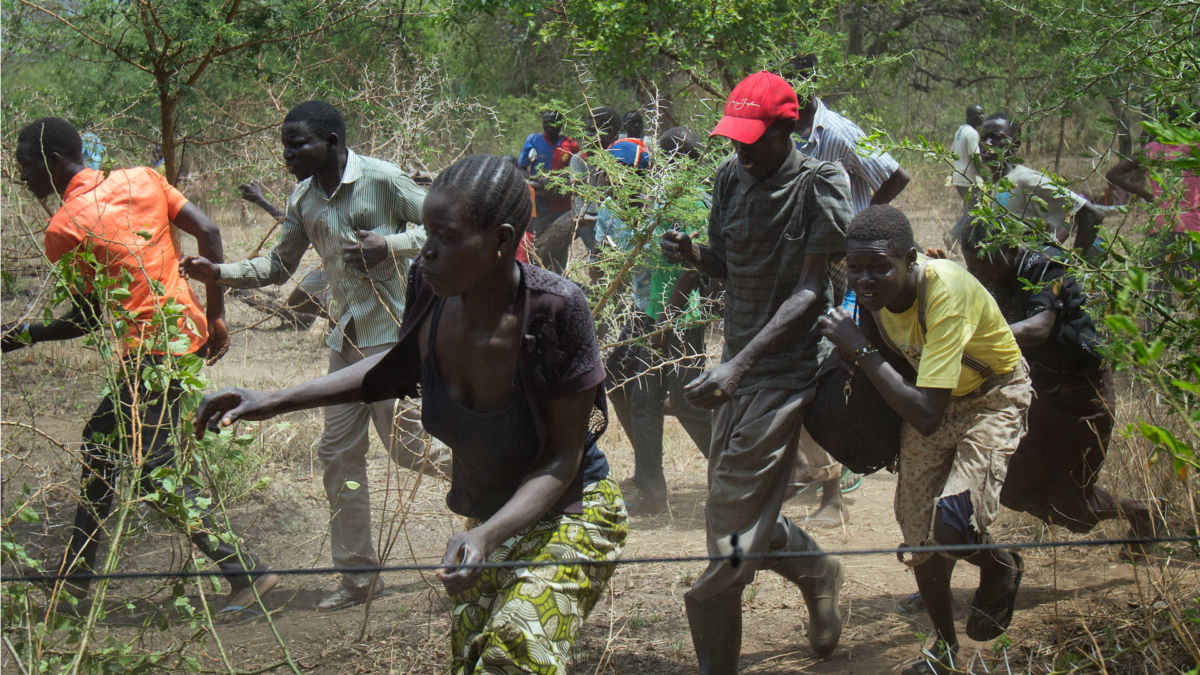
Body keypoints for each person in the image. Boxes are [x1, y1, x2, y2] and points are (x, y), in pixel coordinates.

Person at [192, 154, 626, 674]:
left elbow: (562, 459)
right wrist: (273, 399)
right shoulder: (431, 291)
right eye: (426, 236)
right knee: (470, 659)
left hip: (570, 515)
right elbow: (395, 366)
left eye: (445, 238)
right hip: (488, 517)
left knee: (514, 651)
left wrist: (484, 537)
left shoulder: (555, 311)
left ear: (502, 240)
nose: (427, 254)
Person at [0, 117, 276, 621]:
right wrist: (215, 315)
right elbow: (210, 233)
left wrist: (20, 336)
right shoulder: (142, 179)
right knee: (100, 443)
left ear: (55, 161)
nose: (23, 178)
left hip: (153, 355)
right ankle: (75, 577)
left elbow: (85, 317)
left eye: (25, 166)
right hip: (183, 337)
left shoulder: (64, 227)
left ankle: (247, 573)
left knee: (151, 474)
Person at [180, 100, 451, 611]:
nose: (287, 155)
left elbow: (442, 227)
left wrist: (389, 244)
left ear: (332, 141)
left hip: (392, 336)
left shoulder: (383, 178)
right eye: (285, 145)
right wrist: (218, 272)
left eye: (297, 144)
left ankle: (503, 489)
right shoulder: (304, 198)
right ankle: (358, 579)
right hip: (345, 338)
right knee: (337, 453)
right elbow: (278, 266)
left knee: (410, 449)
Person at [662, 71, 849, 670]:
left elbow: (811, 293)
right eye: (733, 138)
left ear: (786, 127)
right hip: (737, 367)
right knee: (743, 514)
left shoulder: (819, 183)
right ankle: (818, 572)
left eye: (751, 138)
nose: (740, 149)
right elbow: (728, 265)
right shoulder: (729, 178)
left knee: (728, 519)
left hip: (787, 371)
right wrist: (693, 254)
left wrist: (740, 366)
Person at [819, 205, 1032, 675]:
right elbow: (895, 375)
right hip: (935, 394)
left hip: (991, 396)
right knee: (919, 536)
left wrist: (862, 350)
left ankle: (999, 566)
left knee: (953, 523)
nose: (866, 279)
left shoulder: (944, 292)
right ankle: (944, 648)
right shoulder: (870, 301)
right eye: (856, 268)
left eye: (880, 267)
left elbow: (928, 416)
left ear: (909, 260)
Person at [960, 219, 1166, 557]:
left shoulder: (1047, 265)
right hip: (1039, 397)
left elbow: (1039, 328)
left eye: (987, 265)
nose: (982, 274)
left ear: (1012, 249)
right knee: (1012, 484)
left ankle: (1144, 511)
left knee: (1071, 502)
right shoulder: (992, 277)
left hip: (1082, 398)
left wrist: (973, 338)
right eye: (973, 267)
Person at [780, 53, 912, 521]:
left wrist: (863, 221)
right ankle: (818, 475)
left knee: (834, 370)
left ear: (812, 85)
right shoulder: (791, 134)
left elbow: (895, 173)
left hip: (851, 270)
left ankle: (835, 490)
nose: (792, 90)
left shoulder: (834, 132)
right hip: (815, 266)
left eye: (799, 82)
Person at [601, 126, 713, 514]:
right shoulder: (662, 200)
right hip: (655, 315)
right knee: (645, 401)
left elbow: (692, 268)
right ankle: (652, 491)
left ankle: (734, 475)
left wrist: (666, 318)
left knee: (687, 403)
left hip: (679, 319)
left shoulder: (693, 202)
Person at [978, 112, 1103, 254]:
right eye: (983, 137)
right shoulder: (996, 185)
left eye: (996, 138)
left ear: (1015, 145)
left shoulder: (1025, 179)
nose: (987, 143)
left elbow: (1090, 215)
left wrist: (1073, 266)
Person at [1105, 113, 1200, 299]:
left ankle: (1151, 327)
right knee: (1194, 290)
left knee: (1158, 290)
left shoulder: (1152, 150)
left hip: (1160, 227)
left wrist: (1149, 196)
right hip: (1192, 228)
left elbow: (1113, 173)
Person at [234, 182, 331, 329]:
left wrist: (261, 200)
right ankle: (341, 318)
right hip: (327, 260)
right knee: (297, 302)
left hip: (341, 260)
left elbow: (293, 226)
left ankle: (345, 320)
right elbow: (294, 226)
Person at [517, 110, 579, 238]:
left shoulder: (571, 145)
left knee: (559, 246)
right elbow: (521, 169)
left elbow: (578, 173)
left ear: (561, 124)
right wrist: (540, 179)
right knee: (538, 243)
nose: (551, 126)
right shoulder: (533, 140)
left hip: (563, 207)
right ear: (542, 124)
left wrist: (562, 181)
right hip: (540, 206)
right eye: (547, 123)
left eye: (555, 122)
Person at [947, 104, 986, 247]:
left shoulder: (960, 130)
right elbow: (975, 158)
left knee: (970, 212)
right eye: (978, 114)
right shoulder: (971, 134)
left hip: (959, 177)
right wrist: (986, 177)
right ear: (969, 115)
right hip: (968, 179)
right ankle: (953, 237)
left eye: (982, 114)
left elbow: (952, 153)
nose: (981, 117)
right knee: (972, 213)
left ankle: (967, 241)